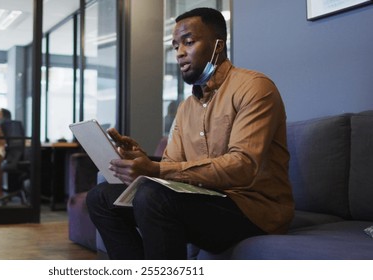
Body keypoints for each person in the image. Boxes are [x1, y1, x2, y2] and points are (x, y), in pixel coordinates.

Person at [86, 7, 294, 260]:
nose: (180, 53)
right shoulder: (187, 107)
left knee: (154, 198)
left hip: (252, 209)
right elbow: (173, 168)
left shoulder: (254, 88)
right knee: (100, 197)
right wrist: (145, 160)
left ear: (218, 46)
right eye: (175, 46)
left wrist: (155, 170)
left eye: (189, 42)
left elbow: (242, 166)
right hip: (204, 200)